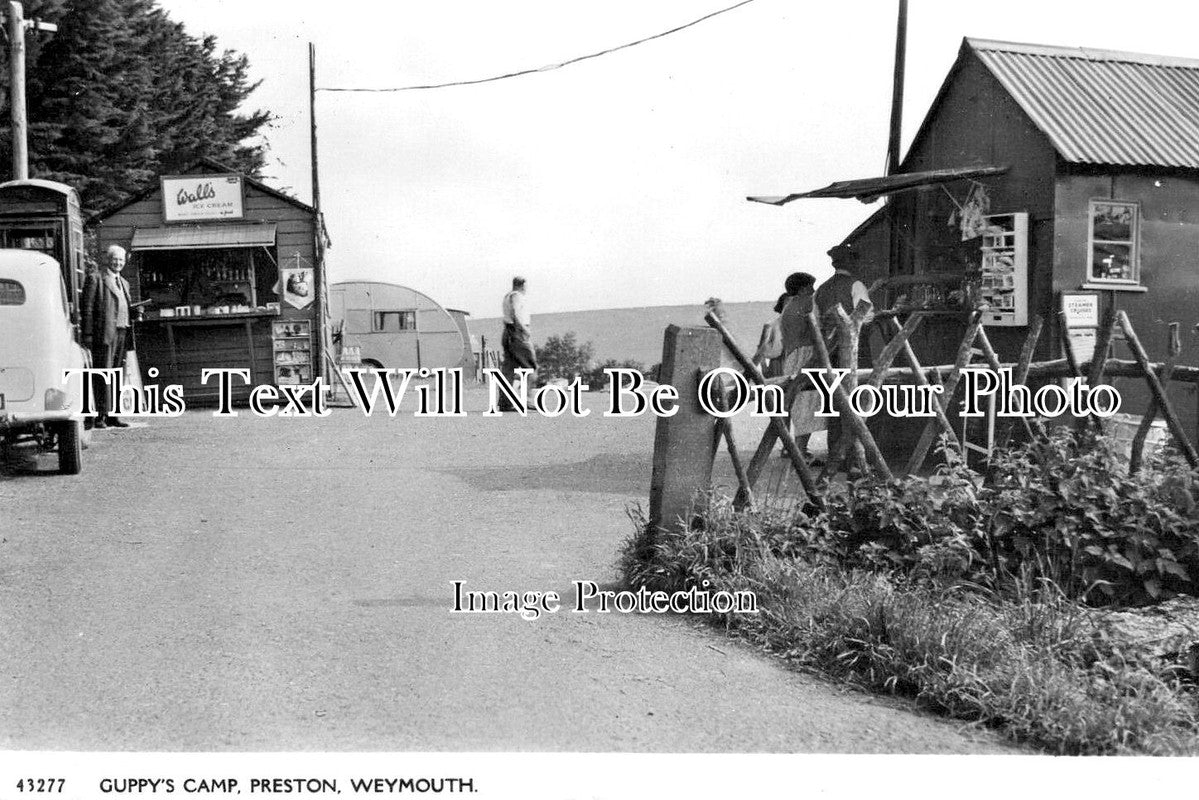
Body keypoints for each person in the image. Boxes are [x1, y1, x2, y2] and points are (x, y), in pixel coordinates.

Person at [814, 243, 875, 466]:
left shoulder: (821, 289)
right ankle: (854, 459)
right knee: (857, 400)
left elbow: (818, 320)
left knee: (835, 402)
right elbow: (866, 315)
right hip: (854, 351)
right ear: (851, 262)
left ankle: (835, 455)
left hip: (830, 352)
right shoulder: (856, 285)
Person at [80, 245, 133, 429]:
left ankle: (114, 415)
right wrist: (87, 335)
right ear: (107, 260)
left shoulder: (124, 283)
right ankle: (100, 416)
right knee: (104, 375)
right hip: (104, 335)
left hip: (122, 333)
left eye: (121, 260)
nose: (118, 263)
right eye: (115, 259)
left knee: (118, 375)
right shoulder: (96, 279)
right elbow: (86, 310)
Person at [499, 276, 536, 411]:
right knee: (530, 366)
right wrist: (524, 329)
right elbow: (515, 313)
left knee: (509, 368)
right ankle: (526, 400)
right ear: (522, 285)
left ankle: (505, 402)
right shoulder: (518, 296)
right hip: (517, 333)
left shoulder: (507, 296)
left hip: (508, 332)